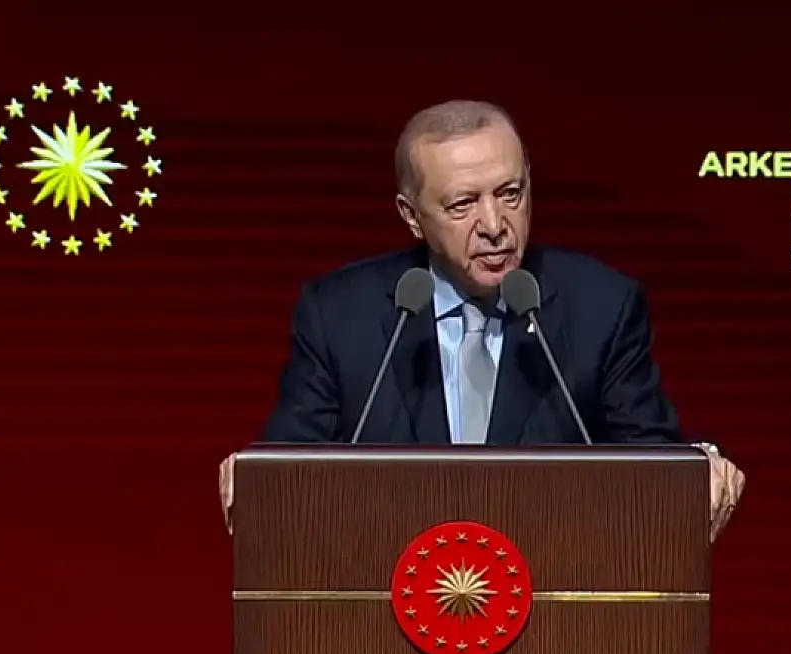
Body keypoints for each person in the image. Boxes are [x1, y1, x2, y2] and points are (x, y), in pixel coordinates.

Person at [219, 100, 745, 538]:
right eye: (462, 204)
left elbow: (652, 461)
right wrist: (256, 478)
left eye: (510, 194)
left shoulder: (602, 307)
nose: (495, 225)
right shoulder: (340, 315)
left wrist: (696, 471)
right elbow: (289, 470)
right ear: (411, 216)